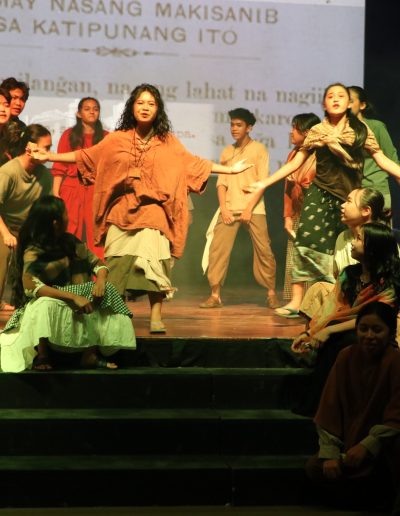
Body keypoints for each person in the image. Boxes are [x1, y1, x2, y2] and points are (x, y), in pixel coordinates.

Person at [27, 84, 250, 334]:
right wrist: (50, 157)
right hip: (121, 210)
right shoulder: (117, 139)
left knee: (154, 263)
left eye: (151, 104)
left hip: (154, 212)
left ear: (158, 109)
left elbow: (194, 164)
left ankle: (156, 316)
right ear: (132, 107)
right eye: (140, 103)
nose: (145, 108)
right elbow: (86, 156)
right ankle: (115, 315)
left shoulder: (168, 142)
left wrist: (230, 170)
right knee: (116, 267)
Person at [245, 83, 400, 313]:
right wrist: (264, 183)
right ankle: (297, 301)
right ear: (324, 104)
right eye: (330, 96)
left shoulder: (361, 130)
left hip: (349, 196)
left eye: (341, 96)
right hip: (320, 192)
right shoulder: (318, 130)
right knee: (305, 241)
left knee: (348, 245)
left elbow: (382, 159)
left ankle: (339, 297)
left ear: (349, 103)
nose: (335, 99)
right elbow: (295, 163)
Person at [0, 196, 136, 372]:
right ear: (56, 223)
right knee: (43, 304)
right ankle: (42, 354)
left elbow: (99, 264)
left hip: (79, 302)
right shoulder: (34, 250)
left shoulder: (71, 242)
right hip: (55, 300)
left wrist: (101, 281)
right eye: (65, 214)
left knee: (107, 291)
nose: (68, 217)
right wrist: (72, 297)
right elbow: (32, 286)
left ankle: (90, 355)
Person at [291, 223, 400, 417]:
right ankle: (322, 407)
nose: (352, 243)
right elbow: (332, 309)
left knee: (342, 342)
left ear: (373, 248)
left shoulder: (390, 281)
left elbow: (375, 318)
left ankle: (326, 409)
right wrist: (310, 333)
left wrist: (329, 331)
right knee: (335, 341)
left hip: (374, 335)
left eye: (358, 239)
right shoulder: (349, 275)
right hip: (342, 330)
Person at [305, 301, 400, 514]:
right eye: (363, 329)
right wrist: (330, 452)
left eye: (377, 330)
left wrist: (367, 446)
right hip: (349, 446)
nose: (369, 336)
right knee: (315, 467)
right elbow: (330, 406)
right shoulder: (346, 356)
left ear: (390, 333)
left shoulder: (395, 361)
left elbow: (396, 414)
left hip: (382, 447)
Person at [200, 107, 278, 309]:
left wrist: (248, 208)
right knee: (217, 250)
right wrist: (224, 209)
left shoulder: (259, 149)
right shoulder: (227, 151)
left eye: (239, 125)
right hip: (229, 207)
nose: (234, 128)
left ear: (249, 128)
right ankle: (215, 295)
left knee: (264, 250)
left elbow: (262, 183)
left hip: (253, 208)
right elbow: (221, 184)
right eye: (232, 125)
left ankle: (271, 293)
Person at [300, 187, 391, 320]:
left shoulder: (381, 239)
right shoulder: (342, 238)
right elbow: (339, 278)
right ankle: (313, 331)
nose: (342, 205)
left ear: (366, 210)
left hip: (374, 302)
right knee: (318, 289)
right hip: (348, 297)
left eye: (349, 201)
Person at [0, 124, 53, 311]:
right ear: (30, 148)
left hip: (27, 229)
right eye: (46, 147)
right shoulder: (9, 172)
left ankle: (30, 302)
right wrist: (6, 234)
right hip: (4, 225)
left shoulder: (44, 174)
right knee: (4, 250)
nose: (49, 153)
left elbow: (45, 210)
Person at [51, 97, 108, 258]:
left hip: (95, 189)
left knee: (96, 234)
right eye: (87, 109)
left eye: (95, 109)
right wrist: (55, 192)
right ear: (79, 113)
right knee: (69, 231)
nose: (92, 112)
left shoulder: (106, 137)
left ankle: (99, 272)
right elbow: (59, 166)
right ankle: (66, 271)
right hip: (71, 187)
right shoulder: (69, 135)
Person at [276, 112, 320, 316]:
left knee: (315, 258)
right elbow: (287, 188)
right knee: (295, 257)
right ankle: (296, 302)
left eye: (295, 128)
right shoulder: (294, 154)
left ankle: (314, 303)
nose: (291, 132)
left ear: (307, 132)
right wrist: (287, 216)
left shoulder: (322, 155)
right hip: (297, 213)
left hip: (317, 214)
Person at [349, 85, 399, 208]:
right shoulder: (338, 131)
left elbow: (392, 159)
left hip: (375, 190)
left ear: (362, 105)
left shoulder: (376, 127)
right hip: (349, 193)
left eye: (350, 101)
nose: (346, 105)